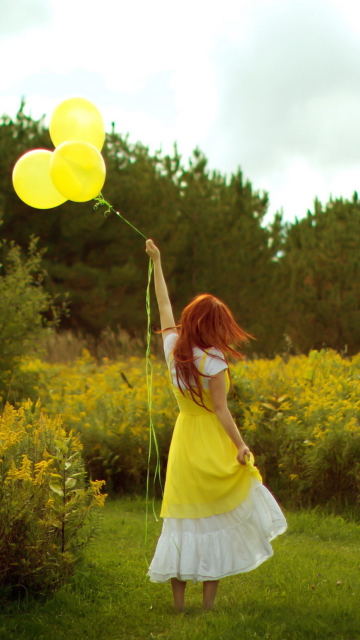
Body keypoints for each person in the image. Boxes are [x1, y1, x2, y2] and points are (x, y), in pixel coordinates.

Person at [145, 239, 287, 612]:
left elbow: (163, 304)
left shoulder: (173, 347)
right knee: (214, 519)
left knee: (180, 519)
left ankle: (179, 606)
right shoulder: (215, 361)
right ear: (214, 327)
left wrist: (157, 261)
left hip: (184, 438)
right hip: (210, 439)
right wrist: (240, 446)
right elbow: (222, 410)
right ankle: (207, 608)